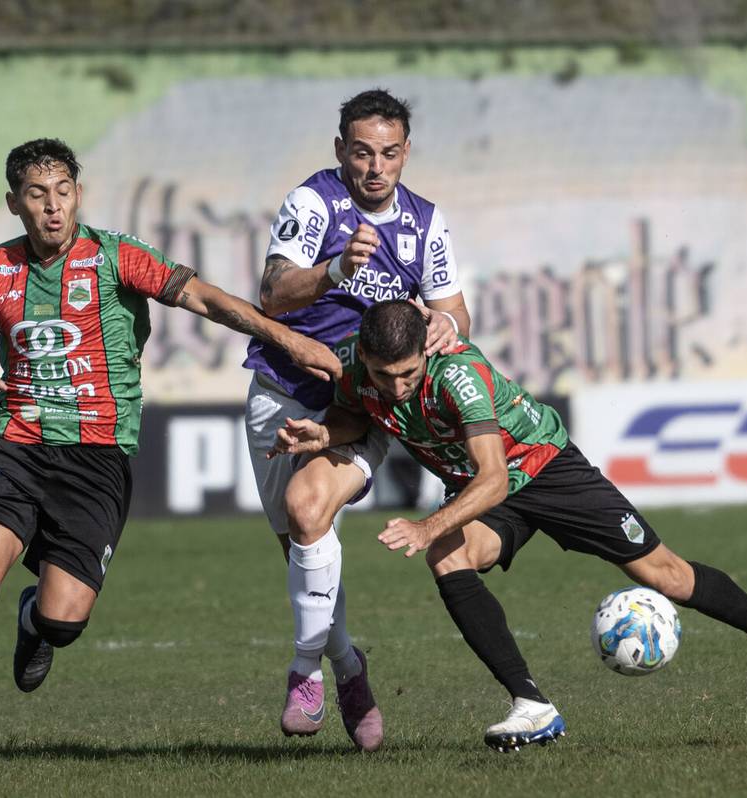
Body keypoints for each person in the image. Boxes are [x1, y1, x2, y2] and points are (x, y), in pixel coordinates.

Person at [0, 138, 342, 778]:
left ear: (77, 193)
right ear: (15, 203)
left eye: (63, 192)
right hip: (16, 443)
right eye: (37, 195)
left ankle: (34, 620)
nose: (53, 208)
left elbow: (207, 299)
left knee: (63, 619)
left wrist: (287, 338)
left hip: (96, 458)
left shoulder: (115, 257)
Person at [270, 300, 747, 752]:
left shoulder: (459, 376)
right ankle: (532, 704)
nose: (395, 387)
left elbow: (493, 477)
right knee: (448, 557)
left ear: (426, 349)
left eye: (405, 374)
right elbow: (356, 412)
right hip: (490, 496)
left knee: (669, 576)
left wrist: (427, 525)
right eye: (382, 374)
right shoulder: (356, 366)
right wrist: (327, 434)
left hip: (545, 470)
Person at [243, 89, 472, 751]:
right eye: (363, 152)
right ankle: (348, 666)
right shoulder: (313, 204)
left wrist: (445, 326)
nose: (376, 167)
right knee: (300, 547)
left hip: (364, 401)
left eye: (390, 153)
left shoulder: (427, 223)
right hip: (282, 389)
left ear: (406, 154)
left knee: (308, 509)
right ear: (342, 149)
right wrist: (335, 270)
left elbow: (455, 306)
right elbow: (273, 291)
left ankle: (302, 671)